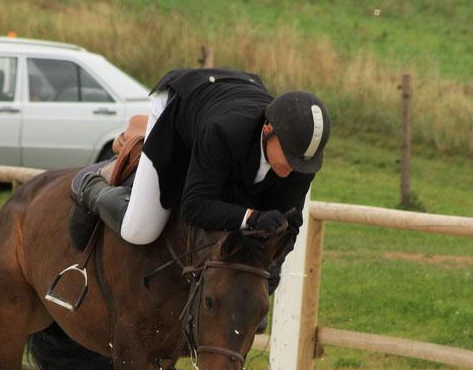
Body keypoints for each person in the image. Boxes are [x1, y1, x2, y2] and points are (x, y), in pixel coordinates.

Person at [72, 67, 330, 250]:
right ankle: (90, 186)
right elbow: (194, 207)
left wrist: (267, 278)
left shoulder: (302, 162)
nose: (292, 168)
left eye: (300, 163)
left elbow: (288, 228)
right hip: (180, 106)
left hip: (224, 104)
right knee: (139, 231)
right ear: (267, 129)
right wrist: (251, 217)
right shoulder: (225, 133)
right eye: (288, 156)